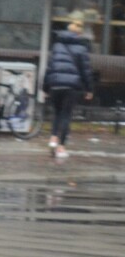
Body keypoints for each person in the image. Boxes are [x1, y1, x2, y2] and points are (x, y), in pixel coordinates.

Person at [43, 12, 95, 159]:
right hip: (71, 87)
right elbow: (86, 71)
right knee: (66, 115)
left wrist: (45, 88)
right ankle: (61, 147)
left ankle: (53, 138)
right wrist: (89, 89)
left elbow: (50, 67)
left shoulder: (57, 46)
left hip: (55, 85)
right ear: (79, 34)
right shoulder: (82, 49)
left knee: (57, 113)